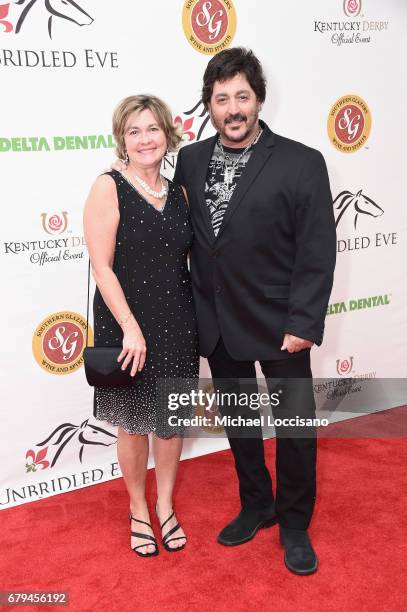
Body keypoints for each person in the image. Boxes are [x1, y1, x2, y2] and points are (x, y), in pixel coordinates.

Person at [173, 48, 336, 575]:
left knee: (294, 429)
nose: (233, 108)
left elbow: (317, 250)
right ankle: (257, 504)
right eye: (222, 99)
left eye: (242, 96)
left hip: (279, 322)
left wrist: (304, 322)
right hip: (218, 322)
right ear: (209, 106)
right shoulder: (191, 160)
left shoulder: (301, 160)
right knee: (241, 424)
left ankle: (293, 522)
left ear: (259, 100)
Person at [83, 95, 199, 557]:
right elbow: (101, 267)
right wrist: (130, 327)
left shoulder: (180, 191)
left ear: (167, 134)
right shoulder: (108, 186)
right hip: (125, 323)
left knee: (169, 422)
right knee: (132, 424)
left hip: (176, 318)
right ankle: (137, 509)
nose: (145, 139)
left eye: (152, 129)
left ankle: (166, 505)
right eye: (134, 131)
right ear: (122, 140)